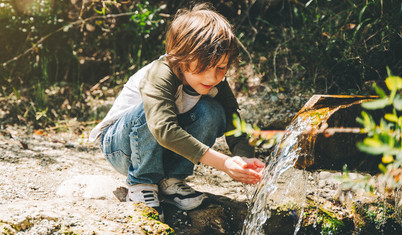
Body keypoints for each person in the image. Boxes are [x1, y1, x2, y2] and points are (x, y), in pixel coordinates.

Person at [89, 3, 265, 221]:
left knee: (214, 111)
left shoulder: (216, 82)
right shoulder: (160, 74)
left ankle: (172, 181)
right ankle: (141, 183)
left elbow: (231, 118)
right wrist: (224, 163)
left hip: (162, 150)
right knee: (151, 113)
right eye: (203, 67)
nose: (212, 77)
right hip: (121, 148)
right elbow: (163, 129)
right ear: (181, 58)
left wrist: (245, 159)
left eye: (221, 67)